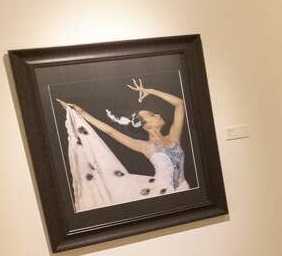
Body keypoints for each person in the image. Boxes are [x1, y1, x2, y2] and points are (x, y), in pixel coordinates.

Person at [56, 78, 190, 212]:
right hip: (162, 193)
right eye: (152, 114)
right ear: (146, 125)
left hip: (184, 189)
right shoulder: (144, 146)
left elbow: (179, 103)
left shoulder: (174, 137)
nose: (158, 114)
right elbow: (111, 131)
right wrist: (81, 112)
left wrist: (150, 91)